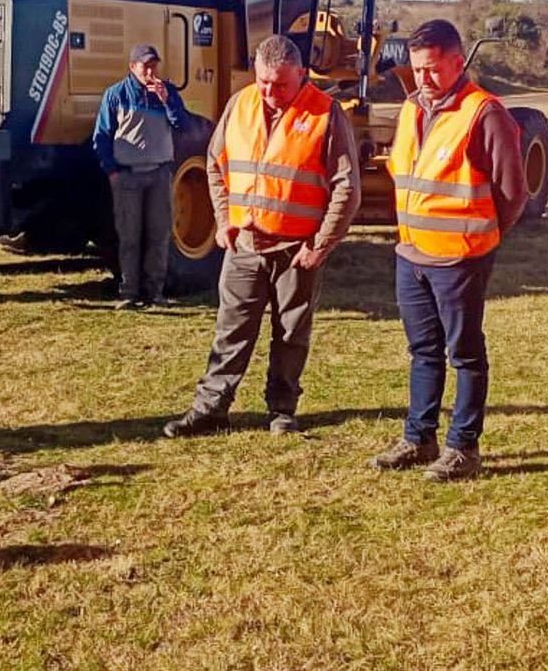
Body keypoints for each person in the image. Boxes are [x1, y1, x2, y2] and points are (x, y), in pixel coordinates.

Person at [162, 35, 360, 437]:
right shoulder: (240, 104)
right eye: (264, 81)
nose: (270, 92)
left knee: (290, 333)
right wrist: (224, 219)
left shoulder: (326, 114)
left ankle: (282, 410)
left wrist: (320, 245)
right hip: (245, 245)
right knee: (230, 328)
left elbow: (347, 187)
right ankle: (211, 408)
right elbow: (216, 165)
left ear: (301, 74)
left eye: (280, 84)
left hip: (297, 250)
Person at [368, 19, 528, 481]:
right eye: (417, 70)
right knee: (423, 350)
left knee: (465, 353)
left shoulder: (484, 113)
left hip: (460, 257)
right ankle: (419, 438)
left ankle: (463, 447)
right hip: (413, 253)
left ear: (459, 62)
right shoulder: (411, 110)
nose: (424, 79)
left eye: (434, 69)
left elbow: (511, 193)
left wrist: (479, 235)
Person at [93, 43, 188, 309]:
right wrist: (112, 171)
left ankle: (155, 292)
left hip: (159, 174)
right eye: (145, 65)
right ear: (132, 67)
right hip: (127, 177)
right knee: (129, 236)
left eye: (154, 65)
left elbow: (183, 125)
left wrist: (168, 101)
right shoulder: (116, 95)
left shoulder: (167, 92)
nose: (151, 70)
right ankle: (129, 293)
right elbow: (101, 136)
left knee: (158, 235)